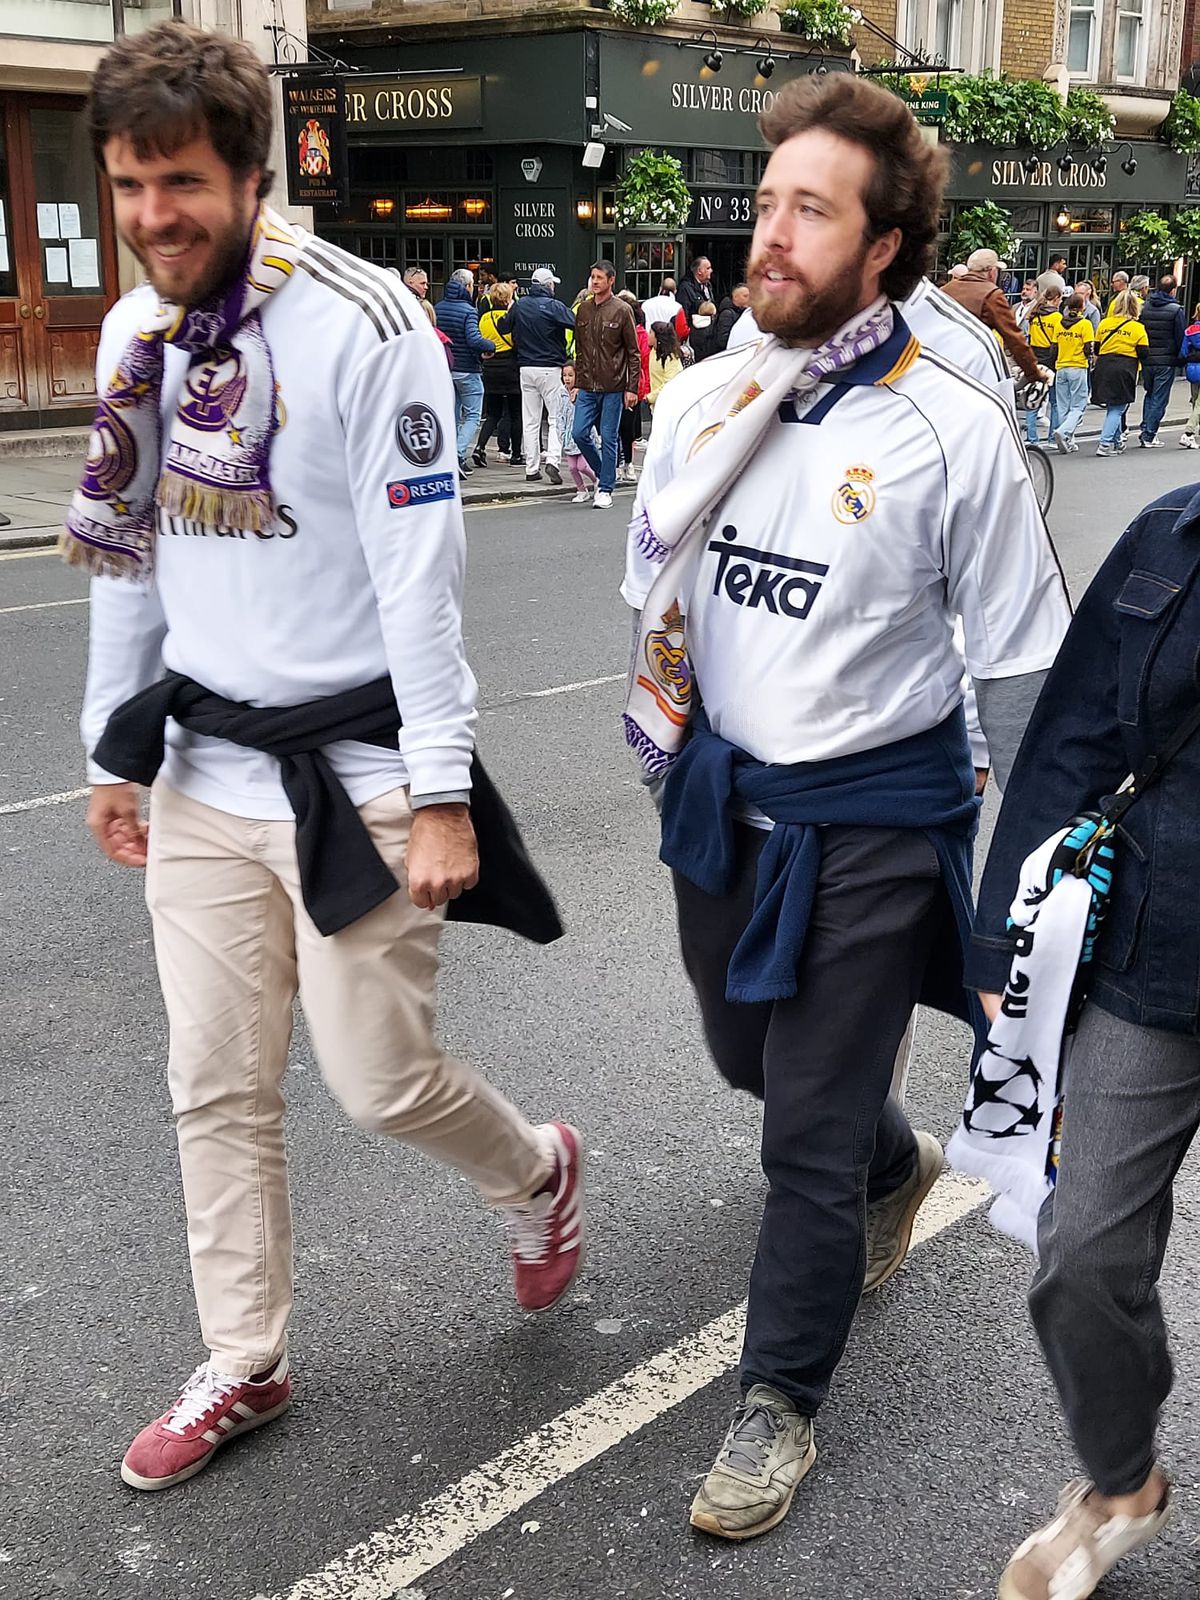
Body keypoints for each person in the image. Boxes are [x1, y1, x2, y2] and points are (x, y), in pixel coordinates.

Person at [70, 20, 584, 1494]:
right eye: (124, 188)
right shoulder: (130, 337)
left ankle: (540, 1170)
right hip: (200, 774)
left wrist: (439, 795)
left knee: (376, 1082)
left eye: (177, 183)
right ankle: (247, 1357)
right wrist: (111, 755)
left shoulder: (367, 326)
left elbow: (423, 580)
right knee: (212, 1085)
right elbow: (126, 561)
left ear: (249, 172)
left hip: (354, 773)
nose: (152, 217)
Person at [621, 71, 1070, 1542]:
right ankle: (896, 1159)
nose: (770, 233)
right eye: (766, 203)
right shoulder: (702, 394)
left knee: (798, 1134)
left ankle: (778, 1401)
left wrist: (1023, 896)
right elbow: (663, 608)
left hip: (878, 815)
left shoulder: (953, 432)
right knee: (747, 1059)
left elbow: (1021, 674)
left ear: (885, 245)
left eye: (810, 210)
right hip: (726, 807)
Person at [967, 482, 1200, 1600]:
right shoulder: (1172, 532)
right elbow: (1069, 736)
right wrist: (989, 945)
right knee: (1083, 1256)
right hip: (1157, 952)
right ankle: (1120, 1486)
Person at [572, 260, 640, 510]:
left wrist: (632, 387)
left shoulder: (622, 310)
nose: (595, 281)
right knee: (578, 432)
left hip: (613, 385)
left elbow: (633, 352)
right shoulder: (584, 310)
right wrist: (578, 381)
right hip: (588, 384)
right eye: (592, 277)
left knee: (609, 437)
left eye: (600, 277)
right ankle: (604, 473)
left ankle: (605, 488)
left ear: (611, 280)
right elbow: (580, 349)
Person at [496, 266, 573, 486]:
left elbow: (503, 328)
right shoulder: (554, 306)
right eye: (552, 284)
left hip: (526, 368)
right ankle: (553, 461)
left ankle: (531, 468)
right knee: (556, 418)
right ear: (548, 285)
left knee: (531, 420)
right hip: (550, 368)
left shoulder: (520, 306)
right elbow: (576, 323)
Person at [942, 247, 1049, 393]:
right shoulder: (991, 294)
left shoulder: (946, 290)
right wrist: (1033, 372)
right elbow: (1013, 337)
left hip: (942, 365)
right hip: (973, 369)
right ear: (992, 271)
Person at [434, 267, 494, 478]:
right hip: (467, 369)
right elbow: (474, 339)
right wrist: (490, 345)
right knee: (472, 416)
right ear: (467, 287)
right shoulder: (469, 311)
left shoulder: (438, 307)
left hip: (446, 368)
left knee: (451, 414)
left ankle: (446, 455)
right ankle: (457, 454)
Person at [1092, 288, 1148, 457]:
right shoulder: (1137, 328)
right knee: (1118, 407)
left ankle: (1117, 441)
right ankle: (1105, 444)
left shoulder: (1104, 324)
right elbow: (1144, 353)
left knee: (1112, 405)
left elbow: (1097, 348)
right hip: (1125, 367)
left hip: (1104, 365)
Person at [476, 281, 522, 467]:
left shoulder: (484, 319)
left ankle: (480, 446)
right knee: (515, 412)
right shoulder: (511, 317)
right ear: (508, 298)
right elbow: (517, 341)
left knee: (493, 412)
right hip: (510, 366)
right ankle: (516, 454)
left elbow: (481, 341)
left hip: (490, 367)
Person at [1137, 273, 1185, 448]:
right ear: (1173, 291)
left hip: (1148, 358)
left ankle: (1145, 427)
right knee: (1160, 397)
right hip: (1166, 359)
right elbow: (1180, 336)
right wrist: (1181, 358)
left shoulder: (1145, 307)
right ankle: (1149, 433)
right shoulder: (1176, 310)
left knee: (1149, 394)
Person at [1050, 291, 1094, 453]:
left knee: (1063, 406)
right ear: (1082, 307)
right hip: (1077, 367)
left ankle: (1069, 440)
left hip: (1061, 367)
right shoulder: (1085, 324)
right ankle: (1064, 432)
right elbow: (1088, 348)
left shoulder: (1059, 323)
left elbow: (1054, 348)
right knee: (1078, 406)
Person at [617, 290, 650, 485]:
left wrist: (641, 388)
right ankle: (616, 465)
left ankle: (627, 463)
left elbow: (643, 362)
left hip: (631, 385)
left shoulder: (640, 334)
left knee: (627, 428)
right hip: (613, 384)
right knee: (612, 428)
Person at [1026, 285, 1064, 442]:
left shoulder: (1034, 316)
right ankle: (1052, 437)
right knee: (1055, 401)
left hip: (1035, 357)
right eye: (1060, 299)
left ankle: (1031, 437)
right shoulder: (1057, 318)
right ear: (1055, 299)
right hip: (1050, 358)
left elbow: (1029, 338)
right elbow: (1057, 342)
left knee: (1033, 398)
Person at [557, 360, 596, 503]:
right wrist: (560, 434)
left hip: (582, 435)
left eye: (570, 375)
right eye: (564, 375)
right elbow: (559, 415)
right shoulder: (560, 394)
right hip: (568, 437)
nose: (567, 378)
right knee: (572, 468)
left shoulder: (583, 393)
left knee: (582, 466)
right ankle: (581, 490)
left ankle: (596, 480)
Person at [1177, 301, 1200, 448]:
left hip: (1192, 368)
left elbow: (1183, 352)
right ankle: (1189, 433)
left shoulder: (1189, 330)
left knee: (1195, 399)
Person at [647, 318, 685, 408]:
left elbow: (670, 384)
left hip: (669, 405)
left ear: (658, 336)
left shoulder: (671, 358)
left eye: (650, 333)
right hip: (657, 403)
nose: (648, 335)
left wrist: (650, 397)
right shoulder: (653, 352)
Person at [677, 255, 715, 324]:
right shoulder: (685, 287)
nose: (711, 271)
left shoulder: (708, 285)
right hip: (694, 329)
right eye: (708, 268)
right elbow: (684, 312)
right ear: (699, 271)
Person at [716, 284, 751, 350]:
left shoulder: (745, 312)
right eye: (745, 296)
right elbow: (723, 340)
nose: (749, 299)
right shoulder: (727, 314)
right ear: (735, 297)